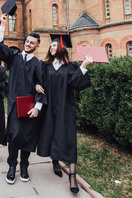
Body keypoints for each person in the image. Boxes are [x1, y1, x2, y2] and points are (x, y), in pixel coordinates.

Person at [0, 14, 47, 184]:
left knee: (27, 137)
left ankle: (24, 165)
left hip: (29, 107)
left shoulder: (38, 64)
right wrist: (2, 25)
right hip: (14, 105)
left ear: (36, 46)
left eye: (32, 43)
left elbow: (41, 85)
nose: (29, 44)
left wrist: (37, 107)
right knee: (14, 136)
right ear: (25, 42)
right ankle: (12, 165)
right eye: (27, 41)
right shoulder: (14, 57)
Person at [35, 37, 93, 193]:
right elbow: (38, 80)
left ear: (62, 48)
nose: (52, 48)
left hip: (65, 108)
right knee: (51, 134)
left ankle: (72, 176)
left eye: (55, 45)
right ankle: (55, 161)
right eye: (51, 46)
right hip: (49, 108)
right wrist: (37, 84)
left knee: (69, 139)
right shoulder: (45, 66)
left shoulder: (70, 66)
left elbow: (76, 83)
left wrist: (84, 66)